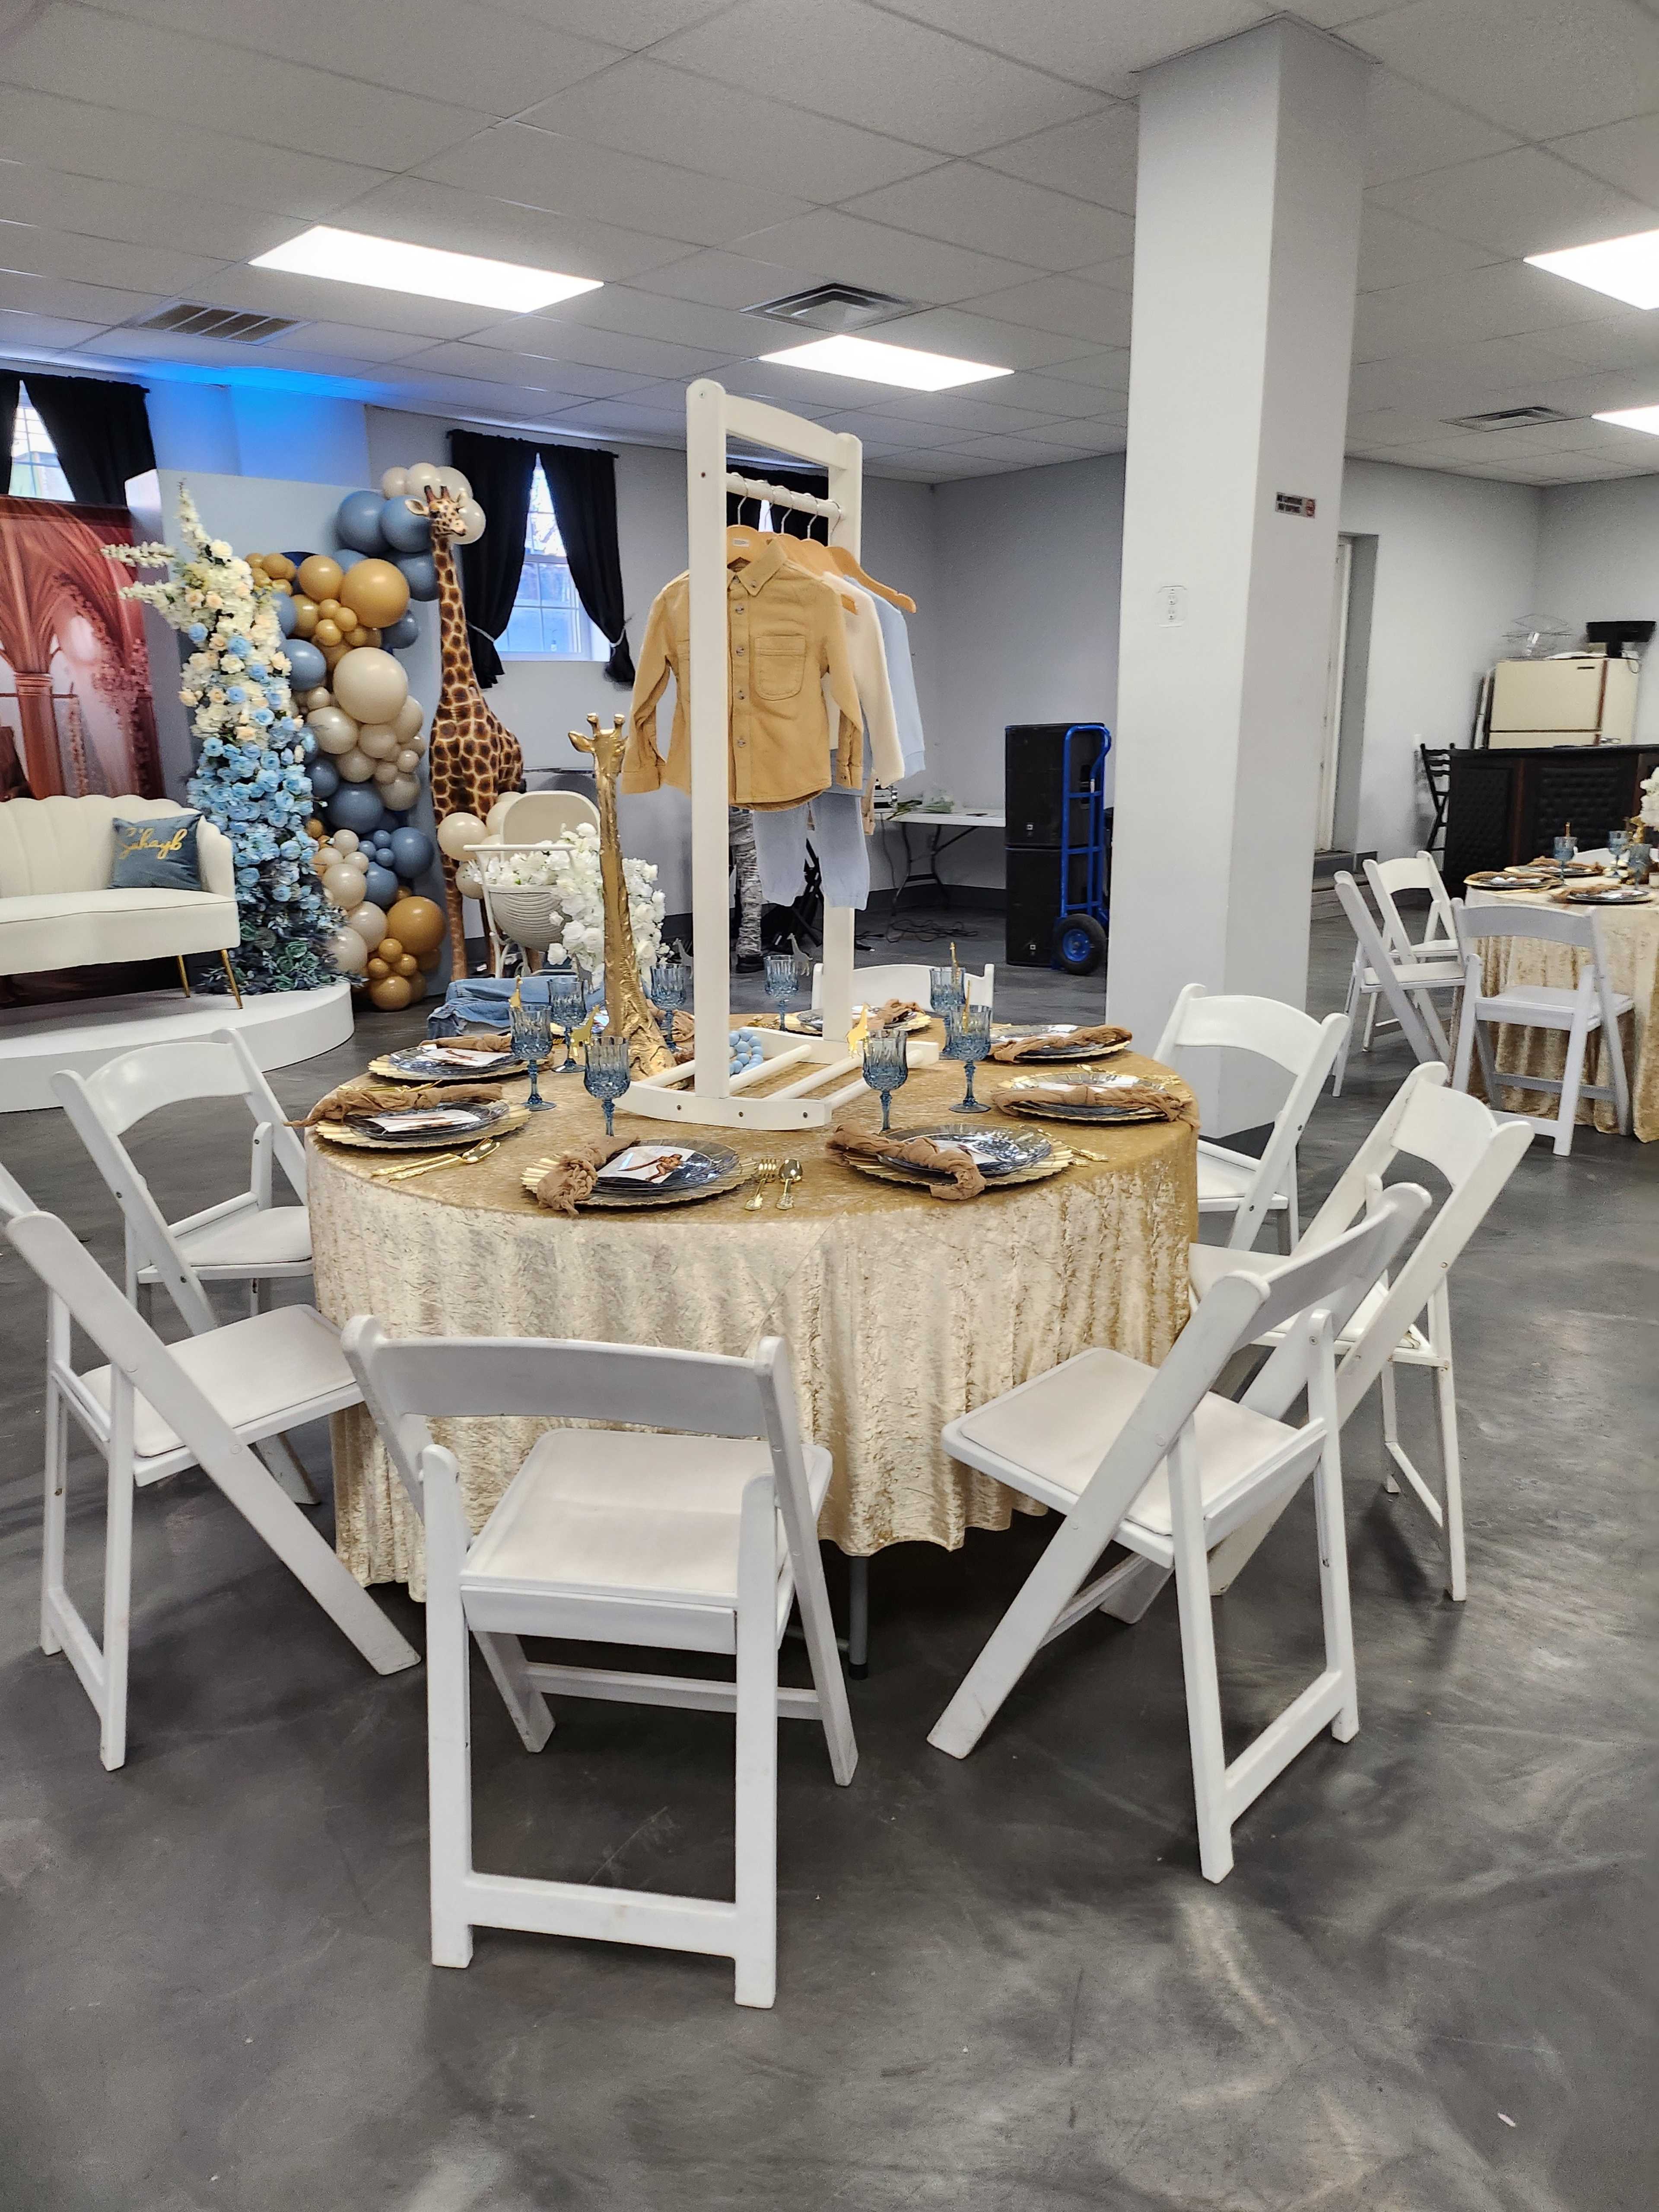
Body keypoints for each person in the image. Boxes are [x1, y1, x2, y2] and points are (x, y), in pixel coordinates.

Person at [730, 805, 763, 973]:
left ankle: (711, 951)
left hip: (712, 808)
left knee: (712, 884)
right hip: (748, 809)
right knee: (751, 882)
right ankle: (749, 951)